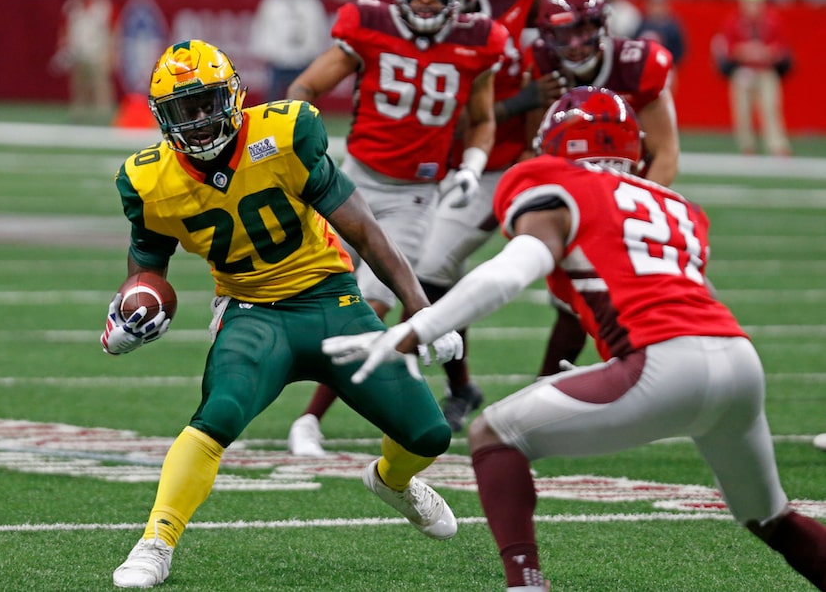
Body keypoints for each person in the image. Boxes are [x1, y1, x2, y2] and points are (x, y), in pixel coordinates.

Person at [325, 86, 826, 592]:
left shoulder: (553, 182)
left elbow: (508, 274)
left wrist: (416, 328)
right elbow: (686, 298)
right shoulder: (676, 204)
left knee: (493, 436)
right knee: (771, 517)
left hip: (666, 365)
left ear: (557, 144)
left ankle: (525, 584)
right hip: (738, 361)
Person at [103, 39, 462, 588]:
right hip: (251, 312)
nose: (197, 123)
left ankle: (392, 481)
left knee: (429, 434)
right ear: (161, 118)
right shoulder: (150, 180)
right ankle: (156, 540)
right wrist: (126, 317)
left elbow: (363, 228)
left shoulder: (284, 134)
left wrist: (421, 309)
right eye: (182, 111)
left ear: (233, 96)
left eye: (205, 104)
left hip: (329, 299)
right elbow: (146, 271)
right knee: (218, 414)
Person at [285, 0, 509, 456]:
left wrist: (472, 167)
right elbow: (302, 90)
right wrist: (307, 152)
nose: (426, 3)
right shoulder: (369, 25)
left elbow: (482, 120)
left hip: (413, 195)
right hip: (353, 181)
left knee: (373, 304)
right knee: (313, 290)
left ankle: (309, 421)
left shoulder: (479, 40)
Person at [410, 0, 589, 433]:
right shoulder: (423, 24)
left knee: (579, 268)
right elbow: (444, 120)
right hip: (452, 159)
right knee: (428, 274)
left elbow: (565, 0)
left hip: (513, 161)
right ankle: (459, 386)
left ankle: (547, 394)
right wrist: (521, 100)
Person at [526, 0, 680, 376]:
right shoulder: (540, 64)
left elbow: (665, 152)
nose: (575, 43)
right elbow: (534, 146)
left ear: (603, 25)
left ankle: (649, 379)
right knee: (576, 300)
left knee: (646, 295)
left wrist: (632, 206)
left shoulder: (637, 63)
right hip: (572, 193)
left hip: (634, 190)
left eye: (583, 29)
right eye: (564, 33)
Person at [711, 0, 793, 156]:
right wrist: (746, 50)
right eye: (748, 1)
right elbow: (728, 48)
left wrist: (764, 53)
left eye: (755, 1)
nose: (752, 6)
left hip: (766, 71)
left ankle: (777, 145)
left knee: (771, 108)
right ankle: (747, 145)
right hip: (742, 72)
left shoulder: (772, 20)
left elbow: (781, 48)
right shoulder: (733, 22)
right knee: (742, 111)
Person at [248, 0, 330, 102]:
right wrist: (268, 52)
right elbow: (262, 28)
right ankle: (272, 117)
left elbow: (318, 28)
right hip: (278, 58)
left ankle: (305, 118)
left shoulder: (310, 2)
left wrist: (313, 51)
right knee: (274, 93)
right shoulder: (271, 2)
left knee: (305, 92)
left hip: (303, 57)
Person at [51, 0, 116, 123]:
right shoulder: (72, 5)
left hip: (97, 51)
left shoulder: (103, 5)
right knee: (79, 85)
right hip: (77, 50)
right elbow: (64, 28)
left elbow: (112, 30)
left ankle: (103, 113)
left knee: (100, 84)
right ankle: (79, 112)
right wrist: (63, 47)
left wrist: (111, 52)